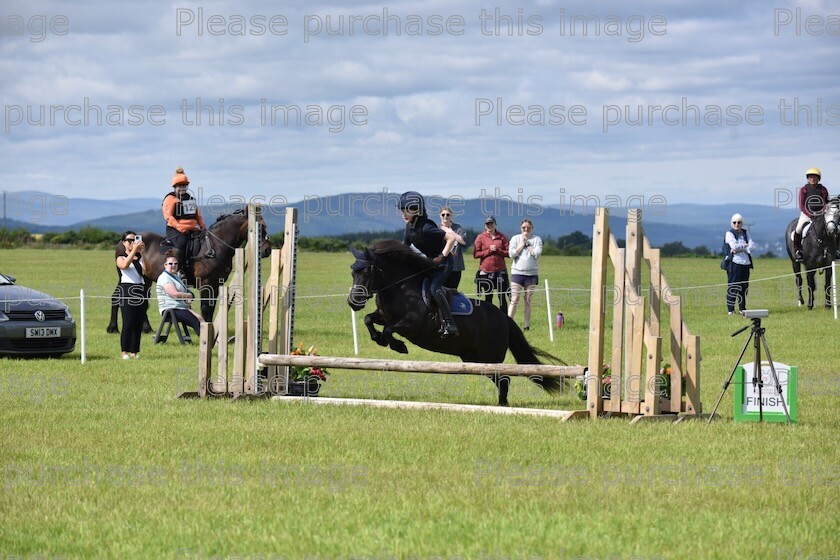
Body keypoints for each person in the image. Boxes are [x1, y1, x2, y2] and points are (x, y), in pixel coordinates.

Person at [398, 191, 462, 338]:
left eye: (406, 211)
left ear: (417, 211)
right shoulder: (409, 228)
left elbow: (451, 239)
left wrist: (441, 257)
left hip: (445, 264)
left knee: (434, 289)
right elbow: (404, 248)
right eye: (402, 211)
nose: (403, 214)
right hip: (429, 264)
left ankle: (450, 323)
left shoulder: (426, 227)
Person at [162, 166, 206, 279]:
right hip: (175, 229)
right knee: (181, 244)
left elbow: (197, 215)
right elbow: (168, 216)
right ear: (175, 187)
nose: (183, 188)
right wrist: (180, 227)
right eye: (180, 186)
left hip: (192, 229)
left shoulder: (189, 198)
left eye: (185, 185)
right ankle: (179, 271)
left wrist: (202, 226)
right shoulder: (170, 198)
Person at [156, 250, 203, 337]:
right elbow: (174, 294)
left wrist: (188, 297)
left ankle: (216, 339)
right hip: (171, 309)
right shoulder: (164, 278)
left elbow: (183, 291)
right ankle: (209, 342)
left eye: (175, 263)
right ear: (165, 265)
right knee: (195, 322)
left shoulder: (175, 276)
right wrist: (189, 295)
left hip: (181, 307)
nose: (173, 265)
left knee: (201, 319)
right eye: (170, 264)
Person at [116, 231, 147, 359]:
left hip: (140, 289)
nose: (132, 243)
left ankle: (134, 351)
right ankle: (124, 351)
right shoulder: (120, 257)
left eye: (134, 240)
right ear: (124, 242)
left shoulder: (139, 259)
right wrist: (133, 251)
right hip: (127, 289)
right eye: (129, 240)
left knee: (138, 322)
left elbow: (146, 271)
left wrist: (143, 253)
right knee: (128, 322)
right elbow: (124, 265)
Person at [508, 219, 542, 330]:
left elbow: (537, 254)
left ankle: (526, 325)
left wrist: (528, 246)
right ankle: (509, 324)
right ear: (520, 228)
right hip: (517, 272)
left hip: (531, 274)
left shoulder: (537, 239)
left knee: (528, 299)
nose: (526, 229)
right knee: (515, 298)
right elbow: (511, 254)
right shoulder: (515, 238)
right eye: (523, 227)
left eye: (528, 227)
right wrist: (521, 245)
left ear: (532, 228)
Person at [793, 167, 830, 262]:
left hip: (821, 215)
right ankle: (798, 250)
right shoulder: (804, 189)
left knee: (833, 228)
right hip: (806, 214)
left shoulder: (823, 189)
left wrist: (821, 212)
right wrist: (810, 214)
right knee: (798, 229)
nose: (812, 179)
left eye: (814, 177)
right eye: (810, 177)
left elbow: (826, 203)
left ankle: (836, 250)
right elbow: (802, 205)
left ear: (818, 178)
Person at [473, 215, 510, 310]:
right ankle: (489, 320)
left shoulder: (502, 237)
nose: (489, 225)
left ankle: (504, 320)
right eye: (487, 224)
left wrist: (497, 250)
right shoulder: (480, 237)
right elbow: (476, 254)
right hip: (485, 271)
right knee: (488, 297)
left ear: (495, 224)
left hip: (500, 271)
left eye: (491, 223)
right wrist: (489, 251)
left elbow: (509, 253)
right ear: (485, 226)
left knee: (502, 297)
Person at [725, 213, 755, 316]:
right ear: (732, 223)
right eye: (734, 222)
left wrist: (740, 248)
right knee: (733, 286)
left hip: (745, 263)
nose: (736, 224)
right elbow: (733, 245)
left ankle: (742, 308)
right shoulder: (729, 233)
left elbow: (752, 246)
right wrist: (745, 246)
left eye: (739, 222)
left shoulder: (745, 233)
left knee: (744, 287)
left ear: (742, 223)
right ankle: (730, 310)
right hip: (734, 263)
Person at [438, 206, 468, 289]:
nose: (445, 216)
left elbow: (463, 241)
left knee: (453, 291)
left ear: (451, 216)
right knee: (441, 290)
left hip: (455, 266)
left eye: (448, 214)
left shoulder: (457, 228)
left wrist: (451, 232)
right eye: (443, 214)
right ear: (440, 215)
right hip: (441, 266)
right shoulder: (436, 228)